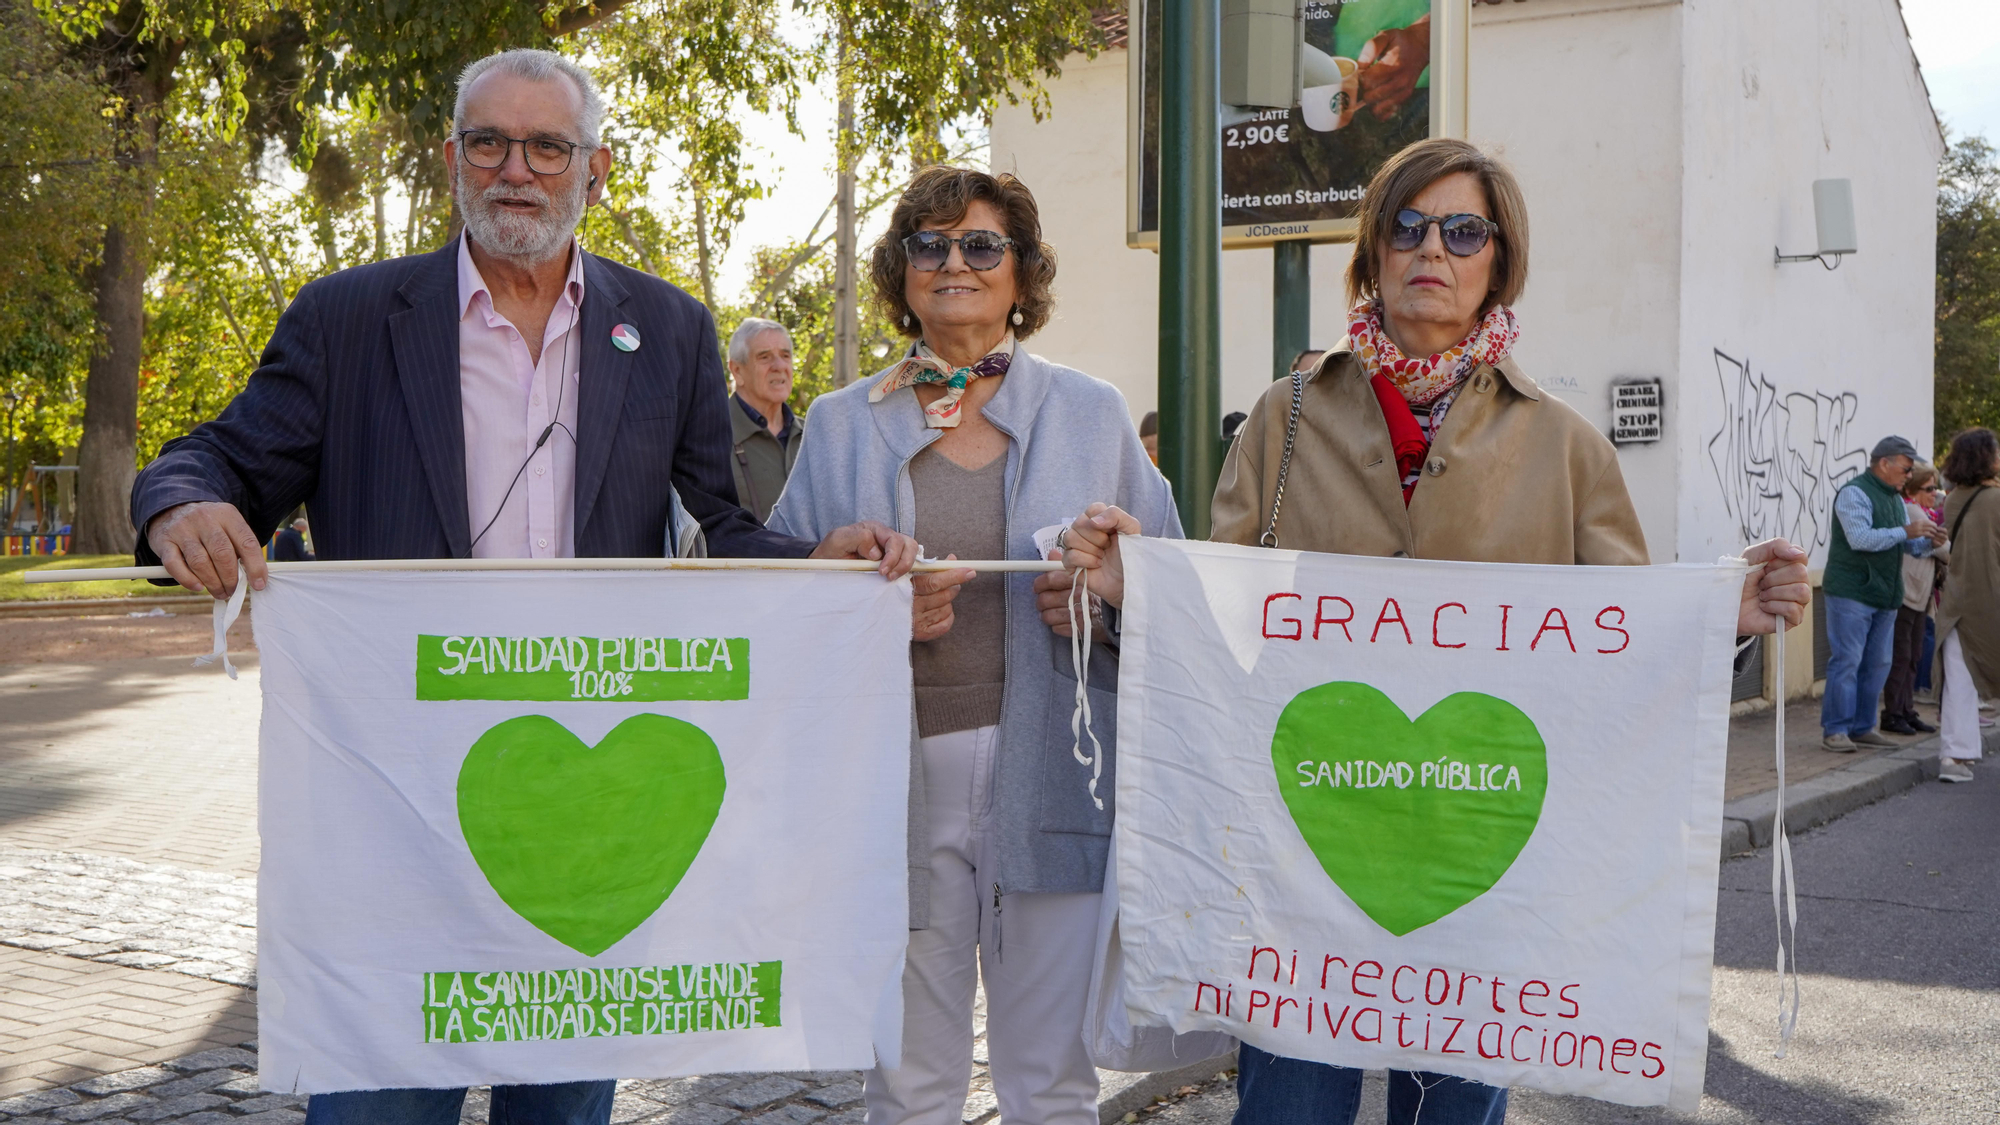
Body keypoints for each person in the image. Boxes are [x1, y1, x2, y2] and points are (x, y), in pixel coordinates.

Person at [130, 48, 916, 1125]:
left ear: (594, 173)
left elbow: (718, 527)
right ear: (452, 160)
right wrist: (179, 504)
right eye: (491, 143)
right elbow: (216, 457)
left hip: (587, 825)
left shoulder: (670, 328)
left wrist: (813, 569)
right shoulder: (350, 320)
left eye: (548, 146)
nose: (517, 169)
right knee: (379, 1105)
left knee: (561, 1104)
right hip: (396, 806)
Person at [1046, 137, 1810, 1125]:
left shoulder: (1563, 444)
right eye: (1404, 228)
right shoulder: (1282, 422)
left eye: (1460, 231)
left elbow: (1623, 641)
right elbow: (1216, 621)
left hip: (1481, 852)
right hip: (1299, 851)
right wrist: (1127, 592)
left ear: (1498, 261)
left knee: (1451, 1112)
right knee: (1287, 1106)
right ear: (1370, 252)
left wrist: (1723, 622)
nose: (1429, 251)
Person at [767, 166, 1179, 1125]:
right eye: (929, 244)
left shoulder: (1094, 412)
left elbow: (1173, 589)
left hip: (1059, 768)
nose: (955, 262)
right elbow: (781, 603)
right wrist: (864, 612)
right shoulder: (838, 425)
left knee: (1052, 1082)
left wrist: (1109, 597)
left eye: (982, 244)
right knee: (907, 1079)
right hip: (894, 779)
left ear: (1022, 274)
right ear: (900, 271)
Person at [1820, 436, 1944, 752]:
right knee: (1847, 660)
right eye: (1905, 468)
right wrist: (1906, 532)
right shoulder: (1854, 493)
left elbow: (1904, 545)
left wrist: (1928, 541)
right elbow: (1860, 538)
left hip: (1886, 594)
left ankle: (1862, 727)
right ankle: (1835, 730)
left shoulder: (1893, 498)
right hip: (1852, 591)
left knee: (1877, 663)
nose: (1908, 474)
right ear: (1884, 463)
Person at [1934, 428, 2000, 783]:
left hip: (1958, 599)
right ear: (1985, 457)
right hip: (1991, 599)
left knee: (1960, 678)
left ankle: (1956, 756)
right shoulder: (1995, 499)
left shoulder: (1953, 498)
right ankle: (1958, 754)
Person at [1883, 462, 1943, 734]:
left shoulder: (1925, 513)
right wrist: (1940, 544)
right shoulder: (1911, 511)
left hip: (1921, 595)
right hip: (1907, 594)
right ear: (1914, 489)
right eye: (1929, 488)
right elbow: (1944, 549)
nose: (1934, 493)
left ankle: (1907, 710)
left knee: (1914, 655)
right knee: (1902, 655)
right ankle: (1894, 712)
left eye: (1935, 487)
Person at [726, 316, 804, 522]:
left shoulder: (815, 434)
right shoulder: (711, 436)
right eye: (764, 357)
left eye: (785, 355)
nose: (779, 366)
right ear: (737, 370)